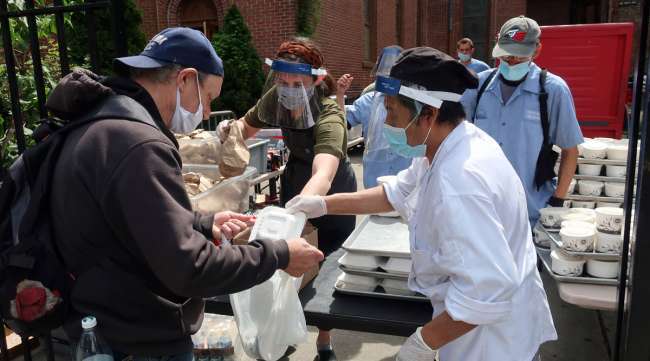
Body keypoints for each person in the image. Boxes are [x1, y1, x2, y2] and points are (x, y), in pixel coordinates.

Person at [48, 27, 323, 360]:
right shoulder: (138, 144)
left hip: (100, 321)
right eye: (208, 98)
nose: (207, 113)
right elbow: (191, 269)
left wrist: (203, 223)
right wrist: (279, 254)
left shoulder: (105, 120)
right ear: (185, 80)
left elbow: (128, 219)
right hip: (134, 339)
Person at [286, 47, 557, 361]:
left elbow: (486, 292)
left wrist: (422, 343)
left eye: (393, 112)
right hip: (477, 326)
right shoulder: (448, 144)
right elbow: (396, 193)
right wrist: (321, 204)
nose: (387, 122)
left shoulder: (460, 182)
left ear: (428, 114)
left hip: (492, 343)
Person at [217, 38, 356, 361]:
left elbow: (324, 173)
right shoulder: (275, 99)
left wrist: (300, 212)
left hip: (332, 193)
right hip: (295, 181)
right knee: (288, 267)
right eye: (284, 82)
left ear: (317, 80)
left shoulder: (330, 114)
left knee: (327, 274)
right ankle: (283, 334)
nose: (290, 89)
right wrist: (230, 129)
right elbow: (246, 127)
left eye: (299, 83)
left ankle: (324, 340)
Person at [461, 16, 583, 226]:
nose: (511, 61)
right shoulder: (478, 87)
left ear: (536, 51)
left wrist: (557, 201)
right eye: (506, 55)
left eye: (518, 56)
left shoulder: (553, 91)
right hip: (481, 210)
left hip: (530, 212)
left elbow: (570, 150)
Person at [335, 46, 413, 188]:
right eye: (386, 71)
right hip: (375, 178)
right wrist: (340, 94)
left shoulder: (412, 102)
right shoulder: (368, 101)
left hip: (405, 180)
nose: (389, 76)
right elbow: (341, 122)